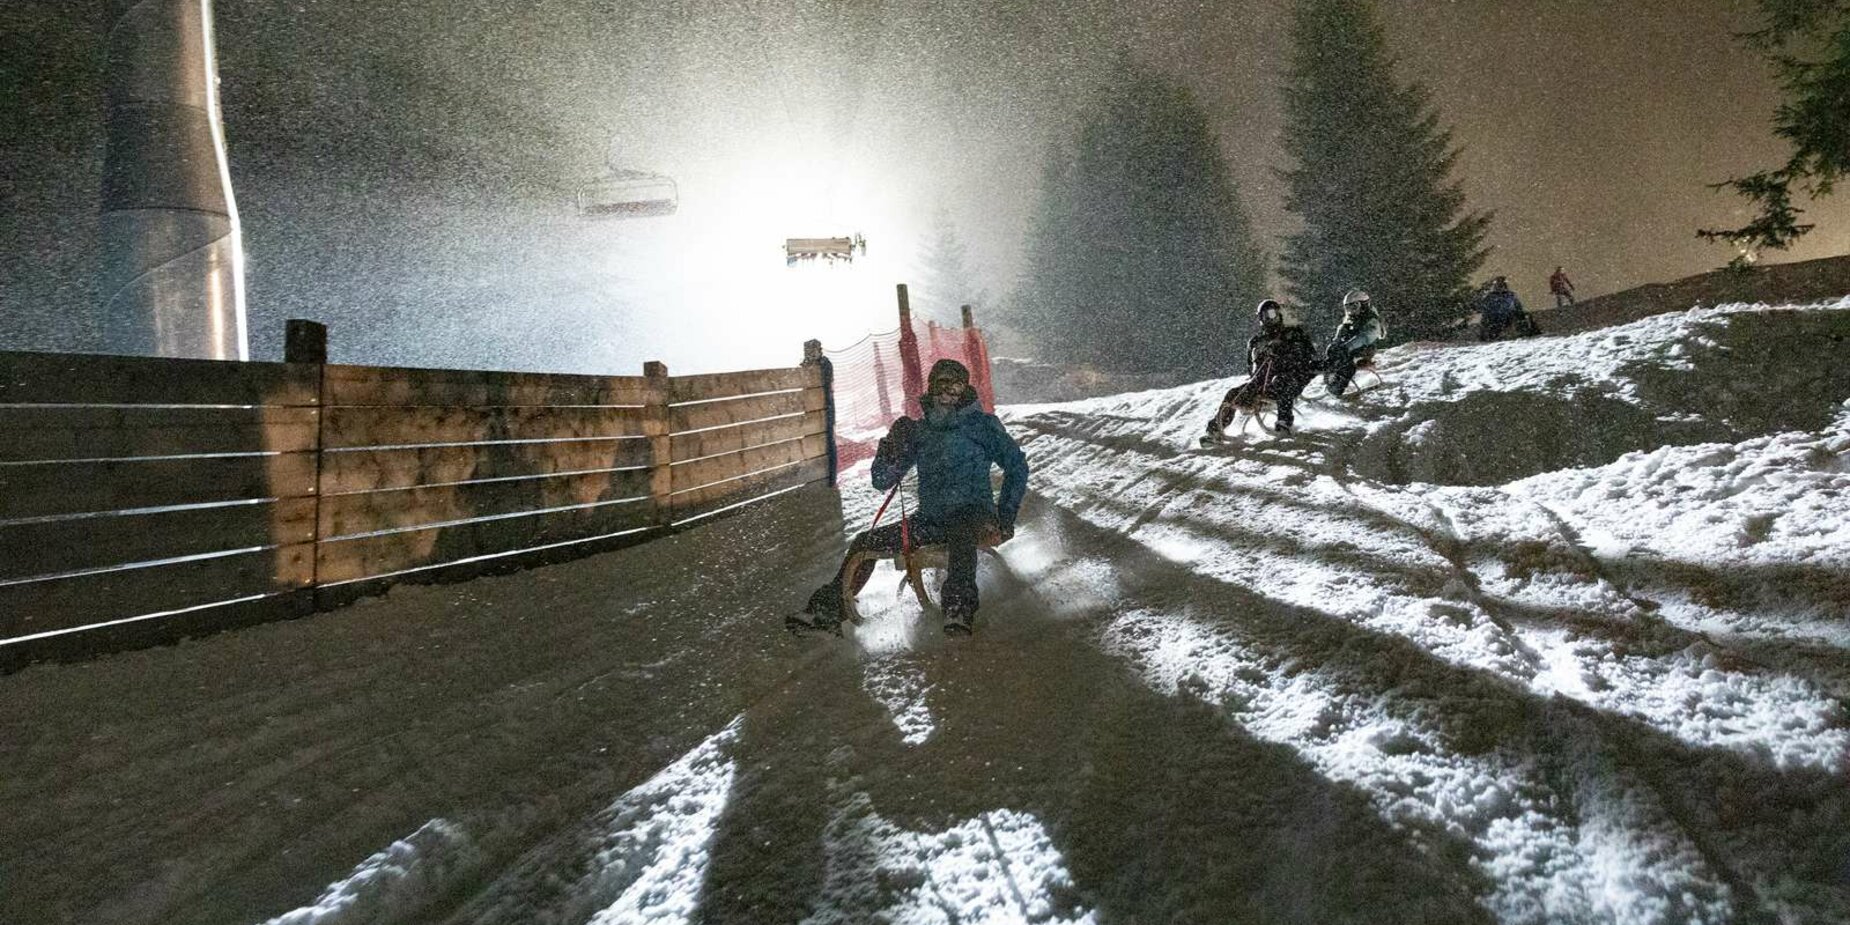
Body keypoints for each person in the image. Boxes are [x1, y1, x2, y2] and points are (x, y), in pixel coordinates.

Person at [791, 358, 1030, 636]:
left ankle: (958, 607)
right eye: (943, 384)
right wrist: (890, 447)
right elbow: (882, 480)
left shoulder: (981, 426)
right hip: (931, 520)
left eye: (956, 386)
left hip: (975, 515)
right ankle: (828, 611)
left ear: (964, 390)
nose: (948, 393)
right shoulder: (920, 432)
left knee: (960, 528)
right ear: (932, 388)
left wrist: (1005, 517)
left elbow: (1017, 466)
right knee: (865, 542)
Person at [1204, 299, 1320, 439]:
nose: (1272, 318)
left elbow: (1306, 357)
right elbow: (1253, 369)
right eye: (1267, 315)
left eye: (1274, 314)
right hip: (1262, 382)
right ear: (1261, 318)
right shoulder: (1256, 341)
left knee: (1281, 381)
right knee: (1233, 394)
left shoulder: (1293, 334)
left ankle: (1284, 422)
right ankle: (1217, 427)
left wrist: (1285, 352)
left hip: (1291, 377)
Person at [1322, 288, 1386, 399]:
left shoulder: (1371, 320)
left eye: (1354, 307)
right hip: (1350, 348)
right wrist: (1335, 343)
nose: (1351, 311)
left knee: (1347, 362)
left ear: (1363, 305)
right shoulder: (1352, 319)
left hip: (1364, 350)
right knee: (1335, 352)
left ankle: (1338, 388)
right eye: (1348, 308)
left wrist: (1348, 346)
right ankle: (1331, 377)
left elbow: (1365, 337)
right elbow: (1342, 333)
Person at [1477, 276, 1541, 340]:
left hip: (1506, 316)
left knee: (1525, 315)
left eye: (1502, 283)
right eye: (1500, 284)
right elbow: (1484, 308)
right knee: (1486, 321)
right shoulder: (1490, 296)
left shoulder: (1510, 294)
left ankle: (1528, 332)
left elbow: (1517, 306)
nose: (1501, 285)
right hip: (1494, 318)